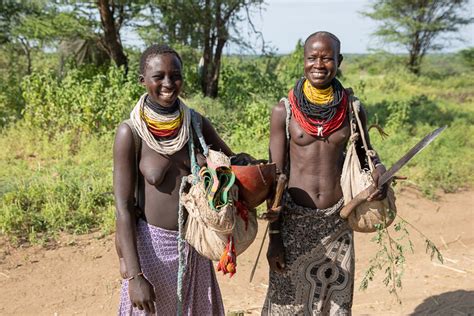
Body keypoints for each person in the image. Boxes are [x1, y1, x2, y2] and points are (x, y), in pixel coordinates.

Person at [261, 31, 388, 315]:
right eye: (312, 58)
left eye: (327, 58)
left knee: (334, 303)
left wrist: (380, 175)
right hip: (294, 221)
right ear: (303, 61)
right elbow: (276, 177)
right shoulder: (284, 111)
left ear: (339, 61)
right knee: (287, 303)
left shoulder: (352, 110)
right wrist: (275, 236)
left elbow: (365, 158)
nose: (319, 64)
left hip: (338, 220)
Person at [113, 44, 231, 315]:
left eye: (175, 75)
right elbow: (122, 207)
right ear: (143, 80)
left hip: (195, 245)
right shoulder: (130, 134)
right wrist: (134, 275)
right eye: (159, 76)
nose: (168, 83)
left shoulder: (195, 124)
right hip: (152, 251)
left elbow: (230, 163)